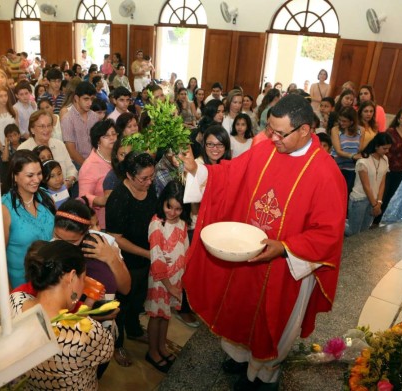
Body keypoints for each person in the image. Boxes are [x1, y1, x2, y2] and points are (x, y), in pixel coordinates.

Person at [177, 94, 346, 390]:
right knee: (240, 309)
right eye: (270, 129)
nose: (272, 137)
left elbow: (327, 233)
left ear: (305, 130)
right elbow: (230, 176)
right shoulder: (265, 149)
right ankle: (240, 358)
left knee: (273, 324)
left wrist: (284, 247)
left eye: (280, 132)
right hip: (249, 252)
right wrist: (197, 169)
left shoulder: (326, 173)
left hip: (287, 266)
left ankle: (264, 376)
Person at [10, 240, 114, 390]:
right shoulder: (87, 333)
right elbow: (106, 352)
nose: (83, 285)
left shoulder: (15, 301)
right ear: (71, 277)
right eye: (83, 279)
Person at [105, 152, 158, 366]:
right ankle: (117, 344)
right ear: (129, 175)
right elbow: (116, 237)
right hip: (125, 260)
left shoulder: (149, 187)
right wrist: (147, 253)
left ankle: (134, 329)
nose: (149, 182)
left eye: (151, 177)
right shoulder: (119, 198)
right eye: (143, 178)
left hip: (147, 255)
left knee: (138, 298)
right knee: (121, 303)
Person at [145, 181, 190, 373]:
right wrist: (169, 285)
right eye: (168, 206)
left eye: (178, 209)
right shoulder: (157, 223)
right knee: (156, 316)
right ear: (162, 202)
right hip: (159, 280)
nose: (172, 212)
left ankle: (162, 346)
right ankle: (152, 351)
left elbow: (186, 250)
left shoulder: (182, 223)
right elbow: (156, 258)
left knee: (166, 315)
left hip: (175, 279)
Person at [2, 150, 56, 288]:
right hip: (21, 283)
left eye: (39, 174)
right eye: (30, 175)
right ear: (15, 176)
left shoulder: (45, 197)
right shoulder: (4, 209)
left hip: (50, 277)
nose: (37, 180)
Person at [345, 133, 392, 236]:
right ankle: (337, 225)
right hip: (360, 200)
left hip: (374, 200)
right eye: (384, 148)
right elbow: (366, 186)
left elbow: (382, 183)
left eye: (388, 149)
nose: (387, 151)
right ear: (376, 146)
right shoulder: (363, 161)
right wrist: (375, 205)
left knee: (364, 232)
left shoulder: (385, 160)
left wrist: (379, 202)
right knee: (354, 232)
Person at [18, 109, 78, 188]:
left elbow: (71, 169)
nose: (46, 129)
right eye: (42, 126)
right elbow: (21, 179)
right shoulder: (23, 150)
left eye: (49, 125)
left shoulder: (59, 145)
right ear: (32, 129)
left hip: (63, 192)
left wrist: (69, 182)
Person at [79, 120, 117, 229]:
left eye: (114, 134)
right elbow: (83, 197)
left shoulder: (118, 157)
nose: (112, 138)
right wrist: (103, 201)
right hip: (102, 223)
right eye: (106, 136)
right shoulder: (90, 165)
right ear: (97, 141)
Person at [379, 109, 402, 219]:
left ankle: (377, 222)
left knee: (390, 196)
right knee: (382, 195)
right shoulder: (391, 131)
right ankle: (372, 219)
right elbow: (382, 148)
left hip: (400, 171)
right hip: (387, 169)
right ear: (398, 119)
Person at [61, 81, 100, 167]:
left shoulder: (95, 117)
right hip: (77, 164)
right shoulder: (68, 119)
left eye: (92, 99)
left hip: (96, 161)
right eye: (86, 99)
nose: (90, 103)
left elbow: (99, 143)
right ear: (76, 98)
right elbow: (71, 151)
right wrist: (88, 166)